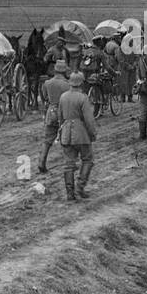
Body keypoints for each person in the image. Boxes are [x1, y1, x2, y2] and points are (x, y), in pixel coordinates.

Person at [57, 71, 96, 200]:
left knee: (68, 164)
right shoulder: (83, 97)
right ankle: (80, 187)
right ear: (81, 83)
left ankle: (70, 193)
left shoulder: (63, 97)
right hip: (81, 134)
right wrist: (92, 134)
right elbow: (89, 120)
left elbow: (60, 117)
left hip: (66, 134)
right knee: (87, 160)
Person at [37, 60, 72, 174]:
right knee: (66, 138)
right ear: (64, 71)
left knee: (47, 140)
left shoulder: (47, 83)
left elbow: (43, 96)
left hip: (51, 111)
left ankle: (41, 163)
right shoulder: (67, 85)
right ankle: (69, 164)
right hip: (64, 112)